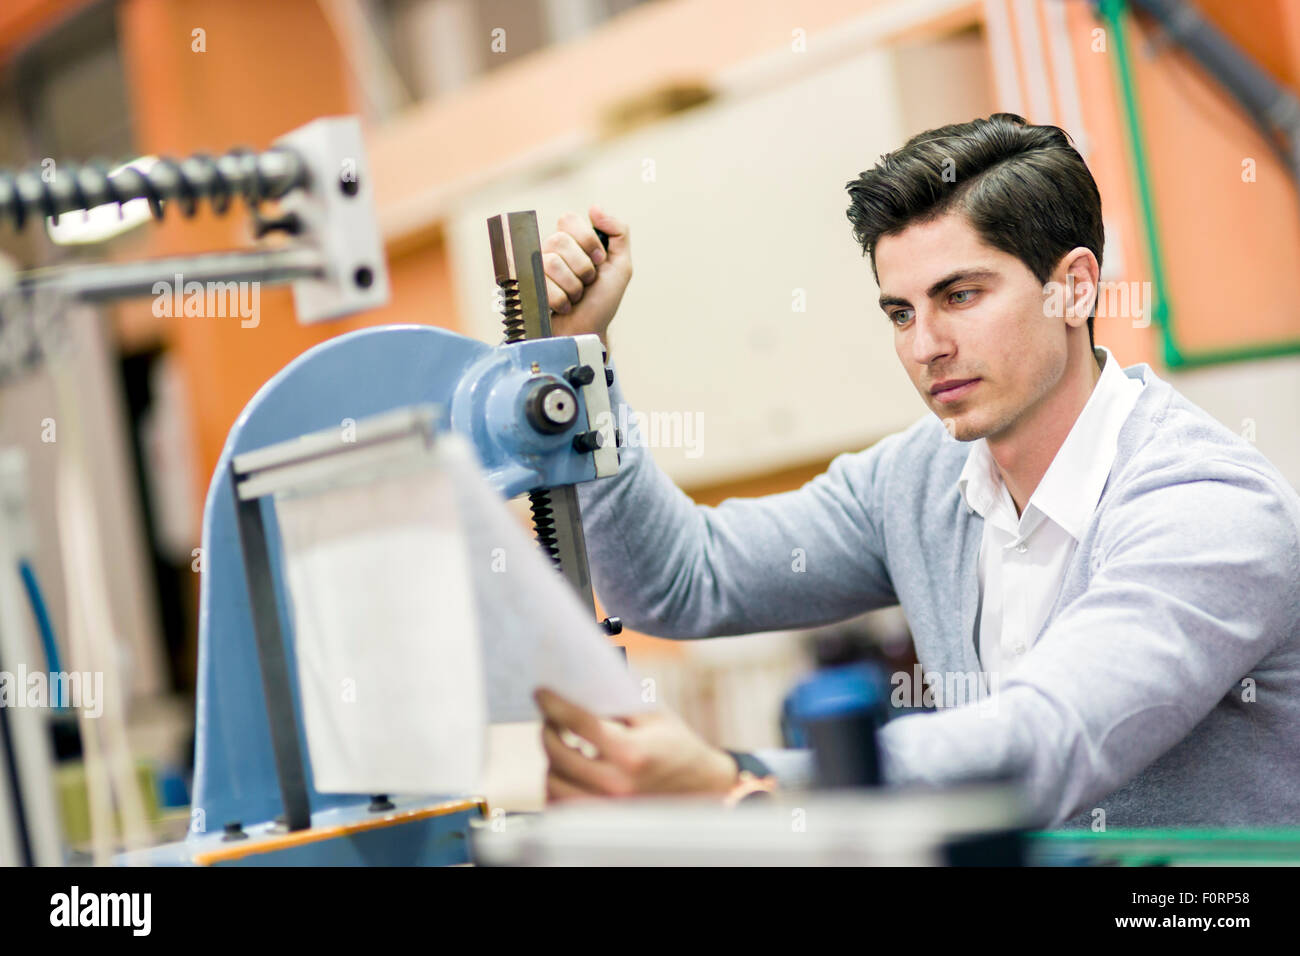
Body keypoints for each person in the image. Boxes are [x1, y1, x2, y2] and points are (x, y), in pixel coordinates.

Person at [531, 113, 1300, 828]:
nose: (924, 346)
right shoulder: (919, 481)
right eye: (899, 313)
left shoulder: (1207, 507)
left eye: (959, 296)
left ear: (1073, 286)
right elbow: (680, 580)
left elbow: (1048, 739)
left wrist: (737, 777)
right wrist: (579, 361)